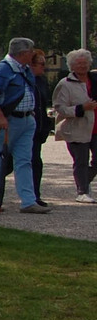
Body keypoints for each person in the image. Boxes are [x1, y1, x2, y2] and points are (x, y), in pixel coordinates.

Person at [0, 37, 46, 213]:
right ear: (23, 53)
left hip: (25, 120)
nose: (33, 55)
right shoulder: (1, 70)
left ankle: (28, 201)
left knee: (25, 161)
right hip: (7, 121)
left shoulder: (24, 69)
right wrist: (0, 117)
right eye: (31, 52)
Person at [52, 47, 97, 204]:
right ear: (72, 66)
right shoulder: (65, 84)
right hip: (77, 128)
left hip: (95, 127)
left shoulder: (94, 79)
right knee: (81, 161)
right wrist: (81, 108)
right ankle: (82, 191)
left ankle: (83, 182)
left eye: (85, 63)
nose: (82, 66)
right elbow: (60, 108)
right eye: (78, 64)